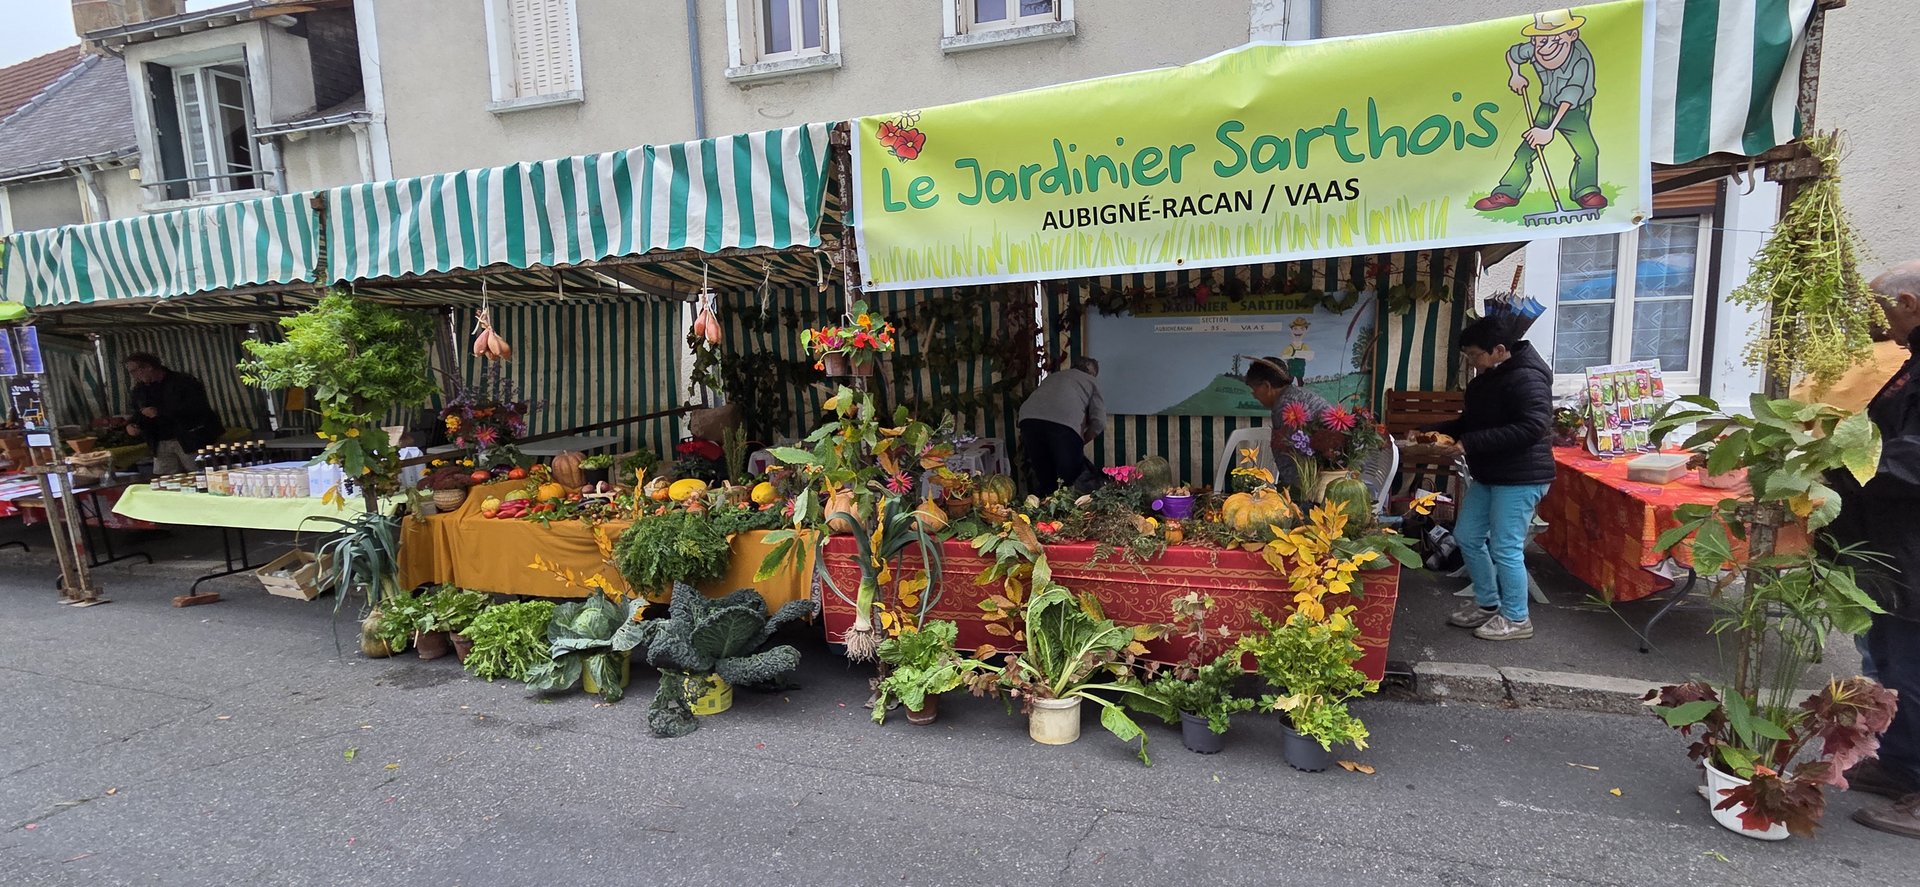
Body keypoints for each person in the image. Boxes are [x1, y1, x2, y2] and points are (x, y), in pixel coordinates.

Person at [1829, 262, 1920, 839]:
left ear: (1907, 302)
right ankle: (1901, 766)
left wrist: (1841, 466)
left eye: (1880, 309)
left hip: (1911, 545)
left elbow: (1910, 458)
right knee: (1888, 662)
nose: (1875, 320)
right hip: (1889, 543)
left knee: (1911, 667)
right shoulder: (1906, 360)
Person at [1427, 316, 1554, 641]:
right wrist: (1435, 433)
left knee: (1506, 547)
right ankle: (1486, 603)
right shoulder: (1487, 377)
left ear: (1498, 350)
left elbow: (1532, 427)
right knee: (1467, 535)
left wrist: (1468, 443)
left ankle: (1516, 617)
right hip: (1491, 474)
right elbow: (1471, 420)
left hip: (1521, 476)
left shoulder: (1528, 378)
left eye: (1474, 355)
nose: (1470, 362)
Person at [1473, 9, 1607, 213]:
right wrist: (1515, 75)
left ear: (1572, 35)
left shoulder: (1580, 60)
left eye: (1553, 41)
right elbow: (1513, 54)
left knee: (1587, 151)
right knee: (1527, 148)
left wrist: (1549, 130)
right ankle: (1508, 191)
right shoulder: (1536, 48)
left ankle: (1585, 191)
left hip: (1574, 109)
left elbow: (1571, 94)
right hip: (1547, 105)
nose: (1545, 48)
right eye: (1539, 41)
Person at [123, 352, 223, 477]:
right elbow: (136, 411)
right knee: (166, 481)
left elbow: (197, 408)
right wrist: (132, 424)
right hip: (159, 442)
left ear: (148, 367)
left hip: (191, 438)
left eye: (134, 371)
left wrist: (160, 412)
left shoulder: (183, 381)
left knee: (202, 476)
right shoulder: (139, 390)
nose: (134, 376)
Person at [1017, 356, 1106, 494]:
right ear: (1093, 373)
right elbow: (1099, 421)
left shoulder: (1054, 376)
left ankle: (1044, 509)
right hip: (1063, 424)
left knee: (1045, 477)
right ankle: (1068, 511)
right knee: (1070, 479)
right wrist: (1083, 439)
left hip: (1028, 420)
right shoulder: (1091, 381)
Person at [1244, 356, 1332, 492]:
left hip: (1322, 482)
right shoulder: (1297, 394)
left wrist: (1291, 497)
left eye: (1254, 389)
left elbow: (1290, 459)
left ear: (1267, 386)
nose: (1254, 395)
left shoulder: (1284, 406)